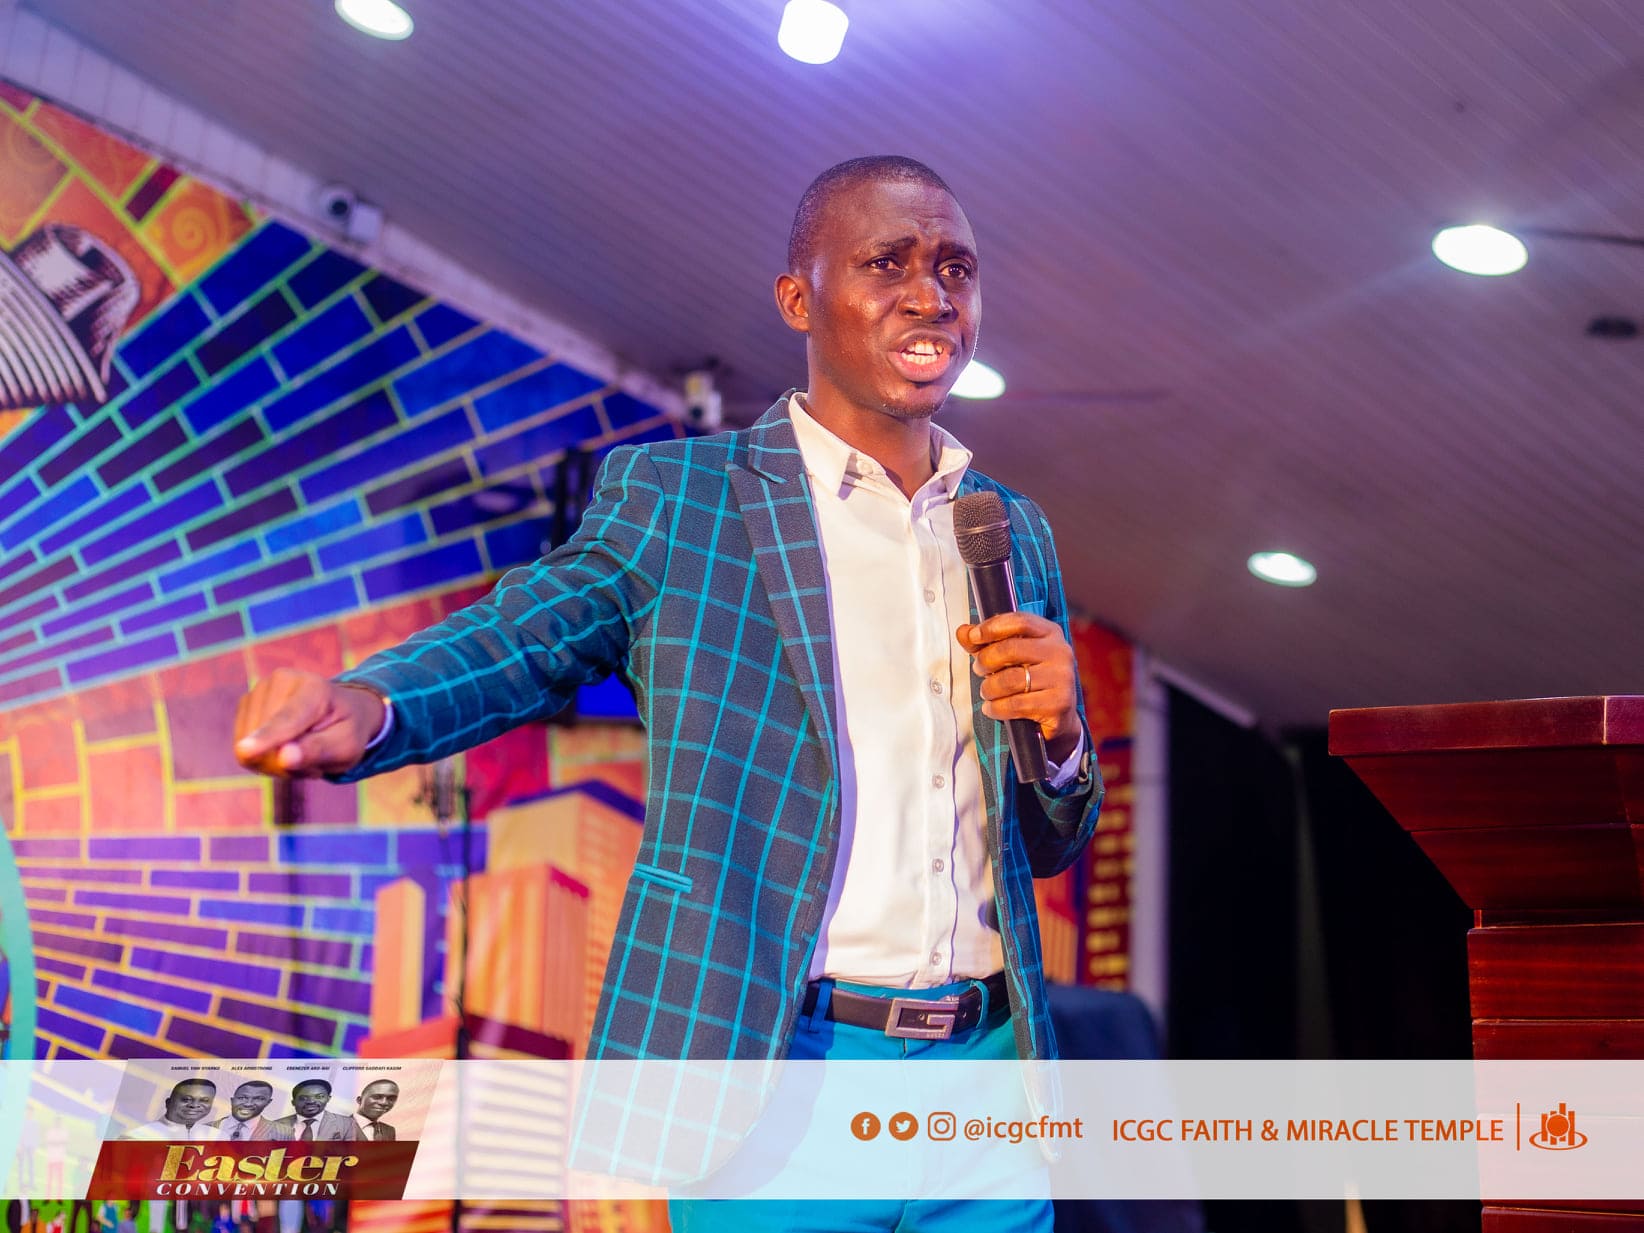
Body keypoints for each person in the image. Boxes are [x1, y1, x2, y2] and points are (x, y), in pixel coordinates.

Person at [234, 155, 1101, 1230]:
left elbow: (1047, 843)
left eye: (955, 269)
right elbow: (527, 633)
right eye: (888, 263)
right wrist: (374, 705)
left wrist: (1062, 736)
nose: (931, 295)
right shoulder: (684, 499)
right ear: (799, 299)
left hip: (987, 1084)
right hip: (779, 1075)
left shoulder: (1010, 532)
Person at [120, 1079, 226, 1141]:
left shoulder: (218, 1137)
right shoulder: (137, 1137)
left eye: (204, 1100)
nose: (194, 1105)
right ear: (168, 1102)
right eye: (186, 1099)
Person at [253, 1080, 359, 1142]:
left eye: (319, 1096)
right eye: (303, 1098)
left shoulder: (346, 1124)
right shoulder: (274, 1127)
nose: (311, 1101)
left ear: (328, 1098)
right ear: (293, 1102)